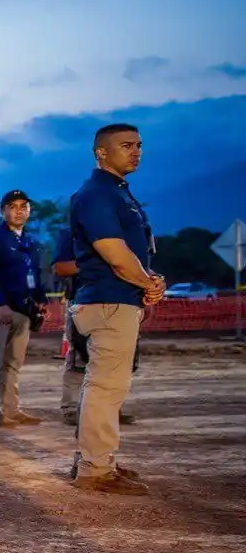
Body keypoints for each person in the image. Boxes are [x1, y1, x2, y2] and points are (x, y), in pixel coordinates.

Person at [65, 123, 163, 494]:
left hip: (116, 298)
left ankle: (98, 460)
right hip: (107, 300)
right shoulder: (96, 194)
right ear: (101, 152)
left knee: (106, 388)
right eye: (126, 145)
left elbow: (136, 256)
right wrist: (147, 282)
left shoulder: (118, 193)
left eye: (139, 145)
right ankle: (94, 469)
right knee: (106, 389)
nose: (136, 151)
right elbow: (115, 255)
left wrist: (153, 279)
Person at [53, 226, 138, 428]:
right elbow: (60, 267)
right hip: (83, 301)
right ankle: (72, 409)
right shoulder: (71, 232)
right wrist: (97, 264)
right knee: (79, 357)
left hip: (120, 300)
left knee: (115, 359)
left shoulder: (123, 233)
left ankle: (109, 408)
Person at [0, 189, 46, 427]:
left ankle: (11, 409)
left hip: (23, 310)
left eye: (23, 207)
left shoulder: (29, 241)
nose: (19, 211)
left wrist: (41, 299)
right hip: (0, 309)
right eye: (13, 206)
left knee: (13, 362)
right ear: (4, 210)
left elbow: (35, 274)